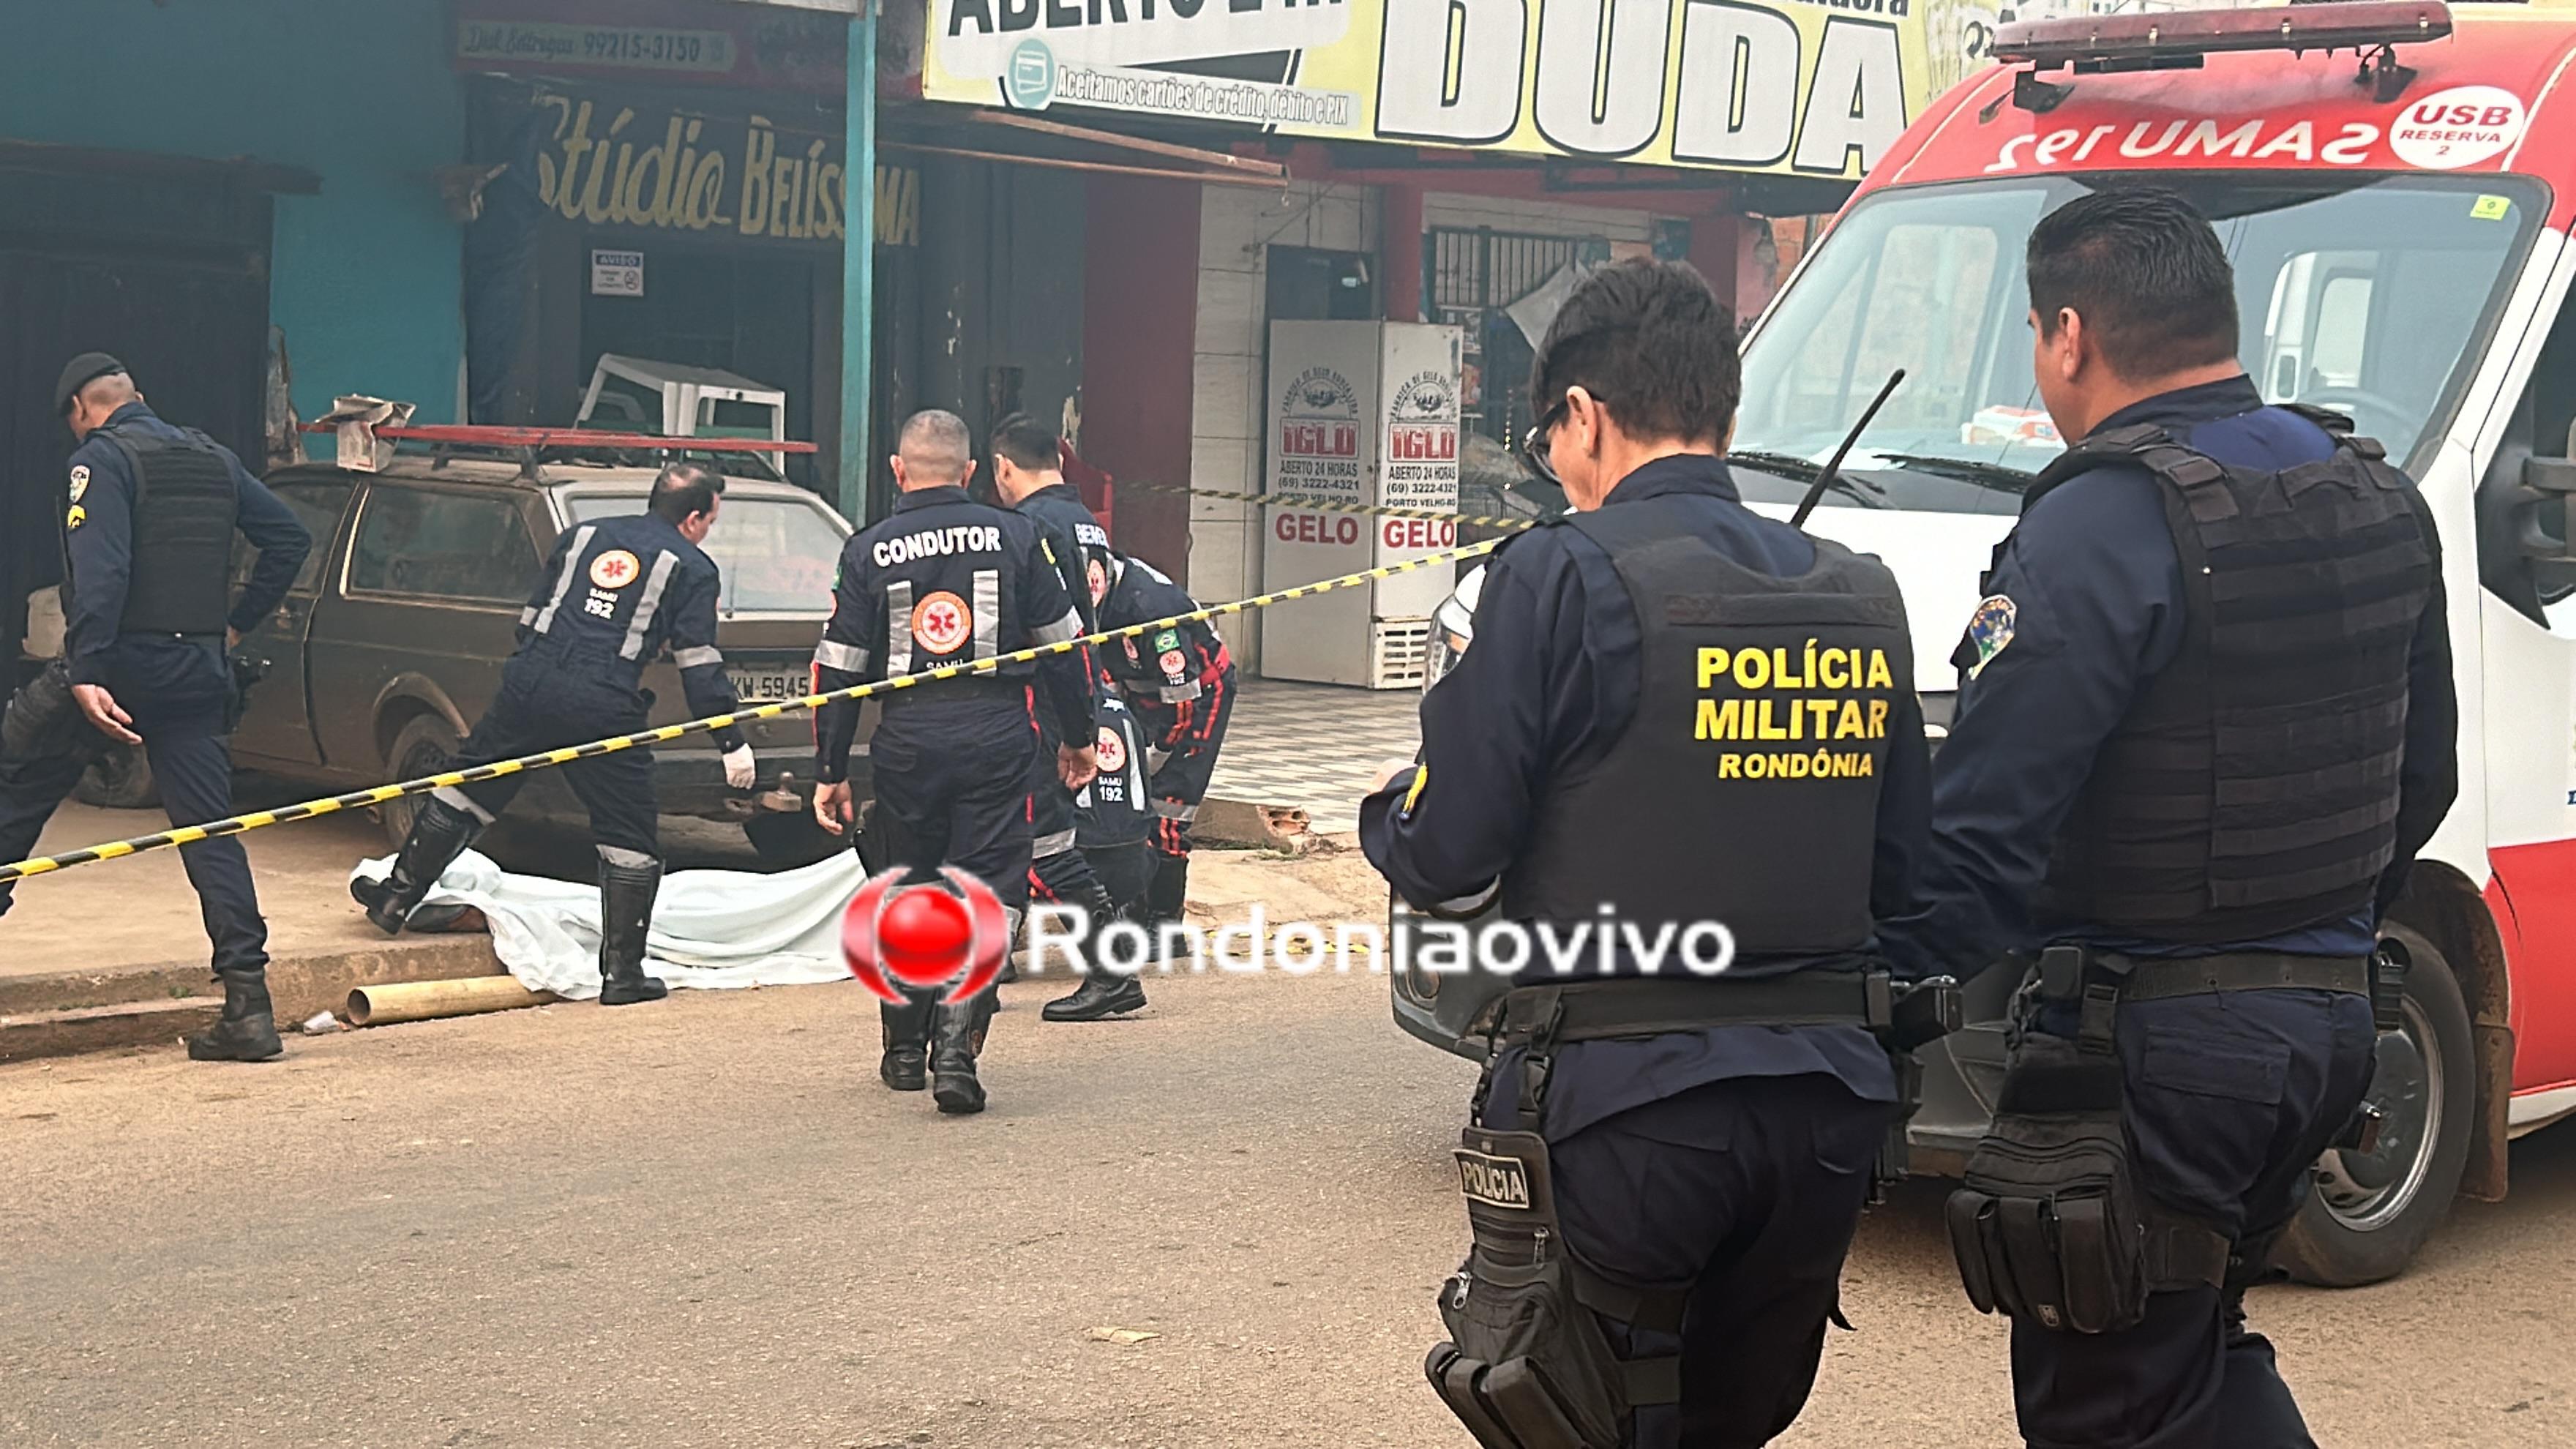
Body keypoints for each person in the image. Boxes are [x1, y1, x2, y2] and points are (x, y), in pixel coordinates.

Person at [1878, 189, 2456, 1448]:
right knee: (2192, 1353)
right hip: (2330, 1023)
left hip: (2157, 1055)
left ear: (2069, 335)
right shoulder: (2372, 493)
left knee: (2107, 1397)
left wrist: (1853, 986)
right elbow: (2426, 783)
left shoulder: (2097, 521)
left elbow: (1984, 836)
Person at [1360, 259, 1933, 1448]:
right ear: (1722, 412)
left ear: (1584, 417)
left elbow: (1445, 851)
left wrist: (1387, 813)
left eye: (1549, 439)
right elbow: (1907, 879)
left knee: (1573, 1416)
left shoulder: (1553, 577)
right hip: (1826, 1115)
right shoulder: (1862, 593)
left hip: (1628, 1119)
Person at [0, 353, 311, 1062]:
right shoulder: (213, 459)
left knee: (16, 794)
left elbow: (102, 574)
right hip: (196, 670)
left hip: (117, 665)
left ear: (82, 409)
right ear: (138, 395)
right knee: (210, 832)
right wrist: (234, 625)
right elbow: (289, 538)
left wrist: (84, 670)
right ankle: (249, 1007)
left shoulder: (101, 462)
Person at [353, 463, 756, 1008]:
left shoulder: (583, 535)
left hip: (529, 682)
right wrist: (730, 741)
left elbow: (531, 620)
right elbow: (698, 663)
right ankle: (622, 973)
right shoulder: (692, 567)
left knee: (472, 785)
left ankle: (396, 899)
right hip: (602, 701)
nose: (708, 530)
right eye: (711, 520)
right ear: (693, 518)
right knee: (628, 828)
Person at [810, 409, 1098, 1114]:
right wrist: (1079, 735)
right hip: (997, 733)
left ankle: (904, 1050)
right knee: (992, 889)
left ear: (897, 469)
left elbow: (839, 667)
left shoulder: (867, 548)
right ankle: (957, 1048)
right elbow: (1064, 646)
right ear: (970, 473)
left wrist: (830, 766)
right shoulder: (1019, 535)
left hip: (907, 741)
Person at [986, 411, 1140, 1022]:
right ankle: (988, 966)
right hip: (1070, 692)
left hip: (1040, 701)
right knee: (1011, 835)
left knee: (1042, 840)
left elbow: (1037, 627)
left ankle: (1112, 970)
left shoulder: (1031, 526)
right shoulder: (1083, 523)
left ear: (1001, 466)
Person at [1093, 551, 1235, 956]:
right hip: (1139, 693)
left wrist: (1155, 755)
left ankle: (1165, 927)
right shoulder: (1085, 595)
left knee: (1168, 809)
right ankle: (1133, 918)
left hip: (1199, 696)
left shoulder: (1152, 608)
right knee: (1128, 807)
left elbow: (1182, 707)